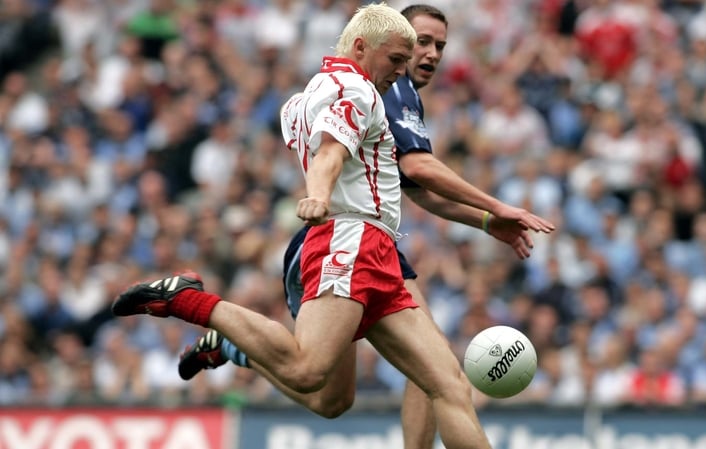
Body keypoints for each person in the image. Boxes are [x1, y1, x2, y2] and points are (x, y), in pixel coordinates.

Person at [111, 4, 529, 448]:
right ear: (362, 46)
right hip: (349, 238)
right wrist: (320, 195)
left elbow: (371, 164)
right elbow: (334, 152)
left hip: (372, 245)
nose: (405, 70)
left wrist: (483, 219)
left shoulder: (305, 97)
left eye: (428, 51)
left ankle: (231, 344)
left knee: (438, 385)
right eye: (399, 58)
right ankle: (186, 300)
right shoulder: (361, 90)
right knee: (307, 370)